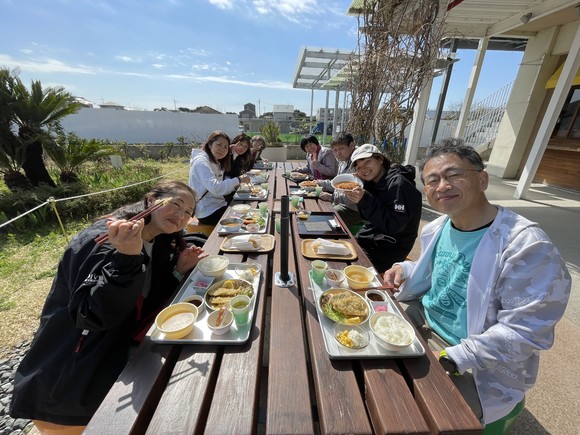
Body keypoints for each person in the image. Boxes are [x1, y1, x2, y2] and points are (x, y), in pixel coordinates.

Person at [382, 140, 571, 428]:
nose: (442, 185)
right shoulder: (439, 227)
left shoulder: (526, 246)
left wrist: (448, 358)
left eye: (453, 175)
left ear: (482, 179)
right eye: (432, 180)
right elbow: (440, 271)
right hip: (424, 321)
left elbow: (527, 332)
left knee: (408, 418)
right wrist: (403, 269)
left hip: (478, 364)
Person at [10, 180, 206, 434]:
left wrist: (178, 271)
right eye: (175, 204)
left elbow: (142, 302)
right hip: (72, 382)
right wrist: (126, 258)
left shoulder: (157, 240)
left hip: (118, 354)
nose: (181, 215)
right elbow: (90, 315)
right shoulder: (104, 239)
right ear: (150, 200)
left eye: (188, 212)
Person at [343, 144, 422, 272]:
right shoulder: (373, 183)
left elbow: (394, 226)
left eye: (367, 162)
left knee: (346, 268)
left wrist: (365, 199)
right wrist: (363, 191)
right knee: (336, 251)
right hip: (370, 238)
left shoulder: (400, 184)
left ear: (380, 160)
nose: (363, 169)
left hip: (389, 248)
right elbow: (366, 217)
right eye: (359, 167)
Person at [189, 131, 250, 225]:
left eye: (225, 147)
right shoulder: (201, 162)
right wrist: (238, 180)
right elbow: (215, 188)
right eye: (219, 145)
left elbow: (221, 182)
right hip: (207, 211)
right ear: (210, 144)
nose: (222, 149)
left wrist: (236, 184)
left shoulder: (215, 161)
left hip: (218, 205)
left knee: (247, 211)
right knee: (246, 220)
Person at [316, 132, 365, 227]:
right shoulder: (343, 162)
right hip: (342, 202)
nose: (338, 153)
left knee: (326, 220)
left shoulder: (359, 163)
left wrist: (333, 197)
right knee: (319, 210)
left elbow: (355, 196)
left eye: (341, 148)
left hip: (355, 209)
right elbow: (337, 183)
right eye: (335, 150)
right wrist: (320, 183)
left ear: (351, 145)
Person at [223, 133, 253, 204]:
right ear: (234, 143)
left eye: (245, 147)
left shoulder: (239, 158)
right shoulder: (226, 155)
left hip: (232, 192)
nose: (242, 148)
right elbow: (224, 175)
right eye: (240, 144)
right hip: (224, 197)